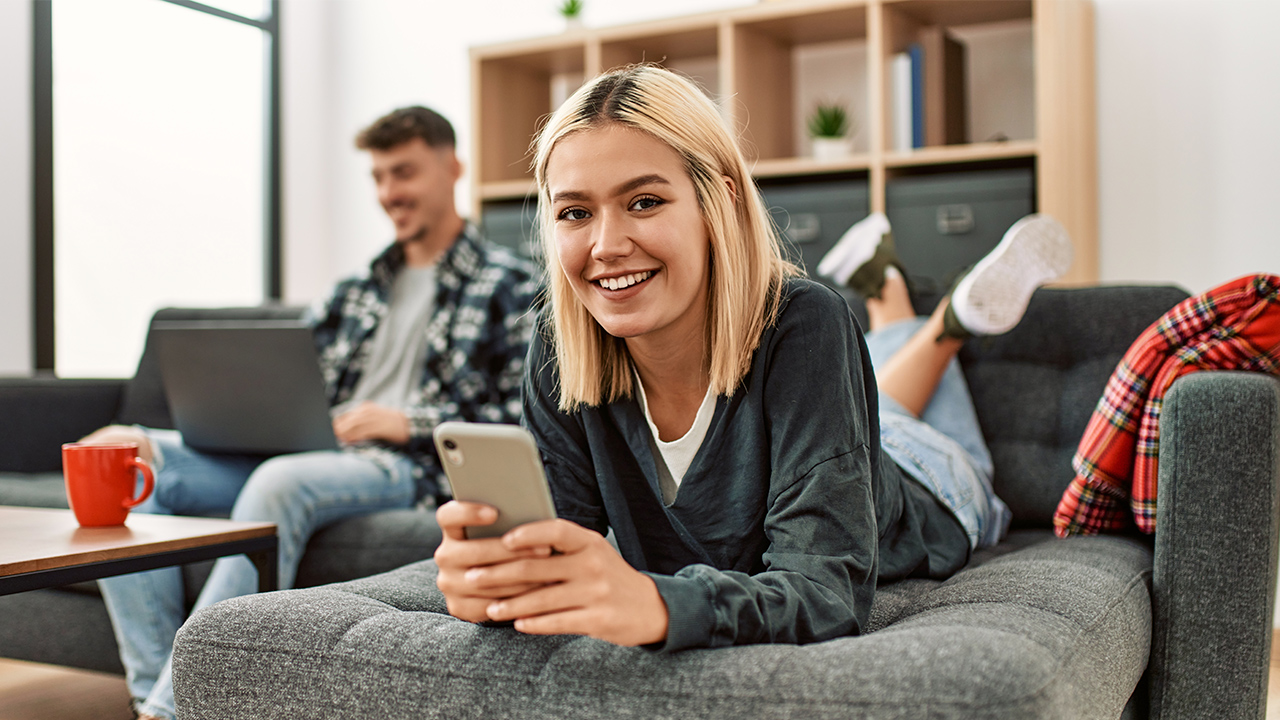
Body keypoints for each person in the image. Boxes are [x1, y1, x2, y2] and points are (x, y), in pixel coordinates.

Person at [432, 65, 1071, 650]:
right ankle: (893, 292)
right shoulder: (560, 343)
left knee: (910, 402)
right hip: (834, 429)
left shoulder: (806, 322)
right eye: (574, 212)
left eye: (645, 201)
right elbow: (555, 556)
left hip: (929, 477)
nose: (606, 245)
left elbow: (825, 592)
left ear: (724, 201)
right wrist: (496, 581)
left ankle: (945, 321)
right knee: (875, 384)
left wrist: (658, 603)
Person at [83, 106, 540, 720]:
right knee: (124, 460)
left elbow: (522, 410)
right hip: (307, 447)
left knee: (280, 480)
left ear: (453, 166)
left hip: (398, 464)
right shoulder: (355, 289)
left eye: (402, 172)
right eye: (377, 177)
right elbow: (286, 384)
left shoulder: (511, 282)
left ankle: (171, 709)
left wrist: (408, 422)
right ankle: (155, 692)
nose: (389, 193)